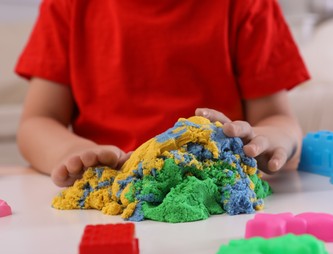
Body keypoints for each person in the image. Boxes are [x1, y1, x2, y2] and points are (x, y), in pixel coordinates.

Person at [15, 0, 309, 187]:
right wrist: (69, 153)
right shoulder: (67, 6)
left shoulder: (247, 5)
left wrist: (270, 140)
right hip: (108, 188)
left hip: (216, 190)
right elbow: (38, 121)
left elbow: (277, 119)